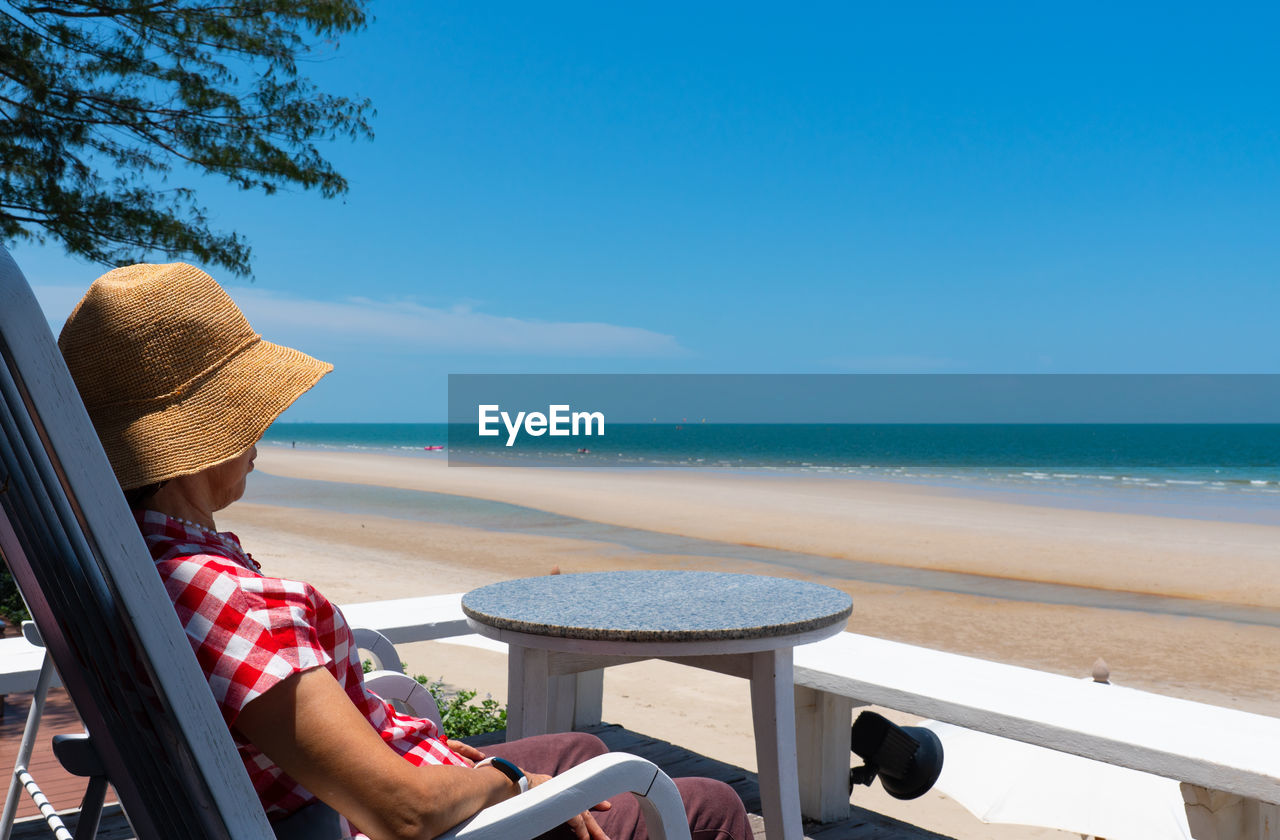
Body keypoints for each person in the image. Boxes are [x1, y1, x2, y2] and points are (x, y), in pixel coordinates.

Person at [57, 263, 750, 840]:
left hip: (307, 801)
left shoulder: (136, 566)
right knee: (707, 805)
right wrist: (503, 782)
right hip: (368, 821)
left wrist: (458, 762)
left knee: (583, 750)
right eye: (242, 414)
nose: (260, 431)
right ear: (191, 452)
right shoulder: (223, 601)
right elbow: (404, 812)